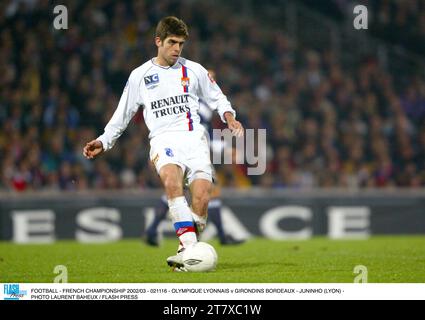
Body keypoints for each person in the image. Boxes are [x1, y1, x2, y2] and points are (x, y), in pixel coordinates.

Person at [83, 16, 244, 271]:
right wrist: (104, 141)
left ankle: (185, 250)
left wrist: (229, 118)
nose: (177, 49)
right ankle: (192, 250)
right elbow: (122, 114)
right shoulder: (140, 76)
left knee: (202, 198)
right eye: (172, 42)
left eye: (181, 44)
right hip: (163, 140)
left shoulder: (195, 70)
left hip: (195, 139)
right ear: (158, 41)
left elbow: (218, 98)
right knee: (172, 181)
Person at [145, 70, 245, 247]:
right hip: (190, 152)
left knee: (178, 192)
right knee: (208, 192)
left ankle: (152, 230)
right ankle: (217, 237)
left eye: (212, 78)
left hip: (185, 151)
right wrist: (227, 148)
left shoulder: (193, 100)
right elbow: (202, 132)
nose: (211, 81)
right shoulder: (198, 105)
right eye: (209, 78)